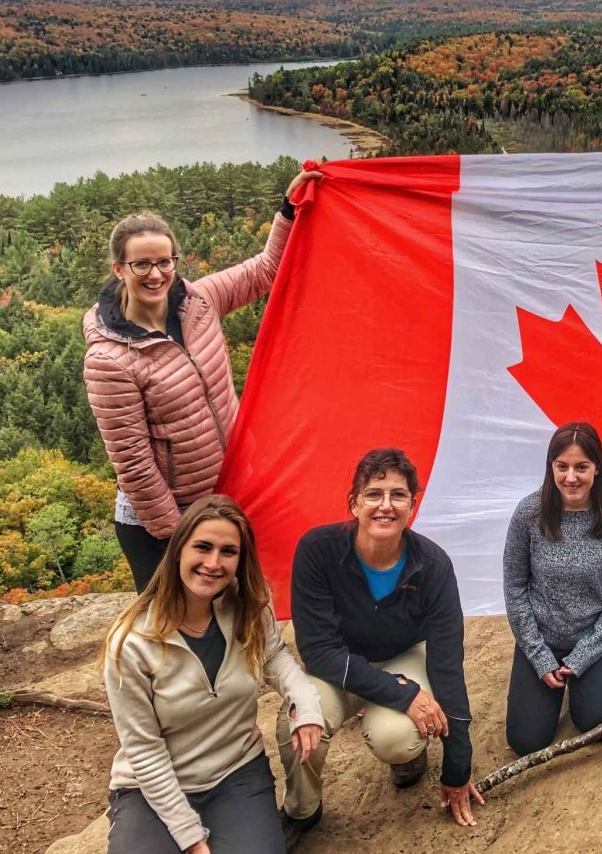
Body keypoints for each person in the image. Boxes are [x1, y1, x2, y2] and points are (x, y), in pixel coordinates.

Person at [82, 167, 322, 590]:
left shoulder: (199, 302)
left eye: (164, 262)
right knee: (173, 630)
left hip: (224, 493)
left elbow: (265, 270)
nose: (156, 275)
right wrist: (181, 536)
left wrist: (290, 208)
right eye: (141, 264)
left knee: (234, 611)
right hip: (162, 521)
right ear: (119, 268)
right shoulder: (109, 359)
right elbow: (134, 464)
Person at [102, 494, 324, 854]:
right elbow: (143, 750)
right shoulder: (132, 641)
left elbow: (278, 659)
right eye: (202, 547)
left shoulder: (248, 607)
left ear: (241, 559)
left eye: (228, 552)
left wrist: (307, 708)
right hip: (151, 787)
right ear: (178, 551)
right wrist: (190, 838)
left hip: (236, 771)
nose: (213, 563)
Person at [277, 447, 482, 831]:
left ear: (413, 506)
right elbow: (318, 651)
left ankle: (409, 759)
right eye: (373, 494)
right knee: (301, 720)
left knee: (395, 737)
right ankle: (301, 811)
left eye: (398, 495)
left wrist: (458, 766)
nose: (385, 505)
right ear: (354, 503)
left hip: (404, 654)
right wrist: (403, 694)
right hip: (339, 662)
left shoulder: (433, 565)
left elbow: (447, 665)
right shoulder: (317, 550)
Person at [503, 422, 602, 756]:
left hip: (596, 638)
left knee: (595, 726)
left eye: (581, 467)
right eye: (562, 467)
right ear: (551, 468)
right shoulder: (529, 513)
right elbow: (515, 587)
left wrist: (584, 654)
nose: (571, 477)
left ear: (597, 468)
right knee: (526, 742)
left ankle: (587, 684)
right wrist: (538, 655)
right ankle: (547, 684)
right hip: (543, 635)